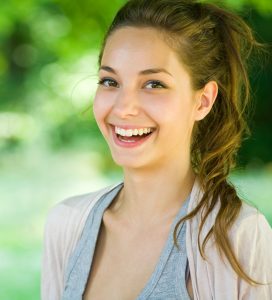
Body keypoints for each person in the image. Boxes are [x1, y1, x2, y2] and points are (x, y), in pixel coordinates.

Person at [41, 0, 272, 299]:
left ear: (202, 101)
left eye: (153, 84)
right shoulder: (66, 225)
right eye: (110, 81)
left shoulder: (236, 237)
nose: (123, 108)